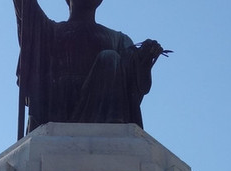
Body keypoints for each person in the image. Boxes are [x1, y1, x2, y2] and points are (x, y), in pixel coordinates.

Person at [13, 0, 166, 133]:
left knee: (110, 58)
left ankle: (111, 139)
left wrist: (144, 59)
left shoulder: (119, 40)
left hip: (105, 115)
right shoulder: (49, 31)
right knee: (110, 58)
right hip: (59, 112)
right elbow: (27, 8)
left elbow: (136, 86)